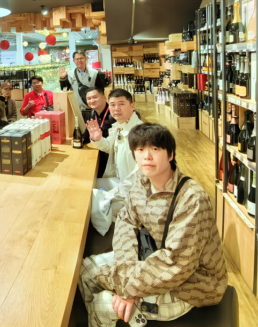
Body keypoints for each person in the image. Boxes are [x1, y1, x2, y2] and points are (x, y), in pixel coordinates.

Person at [79, 123, 227, 326]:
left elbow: (175, 264)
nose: (146, 156)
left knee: (101, 304)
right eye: (140, 149)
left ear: (170, 155)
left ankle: (107, 316)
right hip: (152, 258)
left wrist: (128, 287)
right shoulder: (142, 181)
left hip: (192, 284)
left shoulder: (192, 199)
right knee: (85, 272)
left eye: (155, 149)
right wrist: (127, 276)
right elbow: (126, 221)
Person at [86, 88, 142, 235]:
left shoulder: (139, 134)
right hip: (120, 181)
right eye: (112, 105)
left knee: (96, 205)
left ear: (132, 106)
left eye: (121, 104)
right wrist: (97, 138)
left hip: (136, 193)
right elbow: (108, 146)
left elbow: (137, 179)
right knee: (87, 186)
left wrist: (109, 195)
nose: (116, 108)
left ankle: (114, 237)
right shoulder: (120, 126)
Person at [83, 87, 116, 178]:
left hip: (111, 159)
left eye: (95, 97)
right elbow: (88, 132)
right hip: (99, 152)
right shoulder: (93, 113)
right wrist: (81, 139)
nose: (92, 101)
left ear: (104, 97)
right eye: (89, 98)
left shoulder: (114, 114)